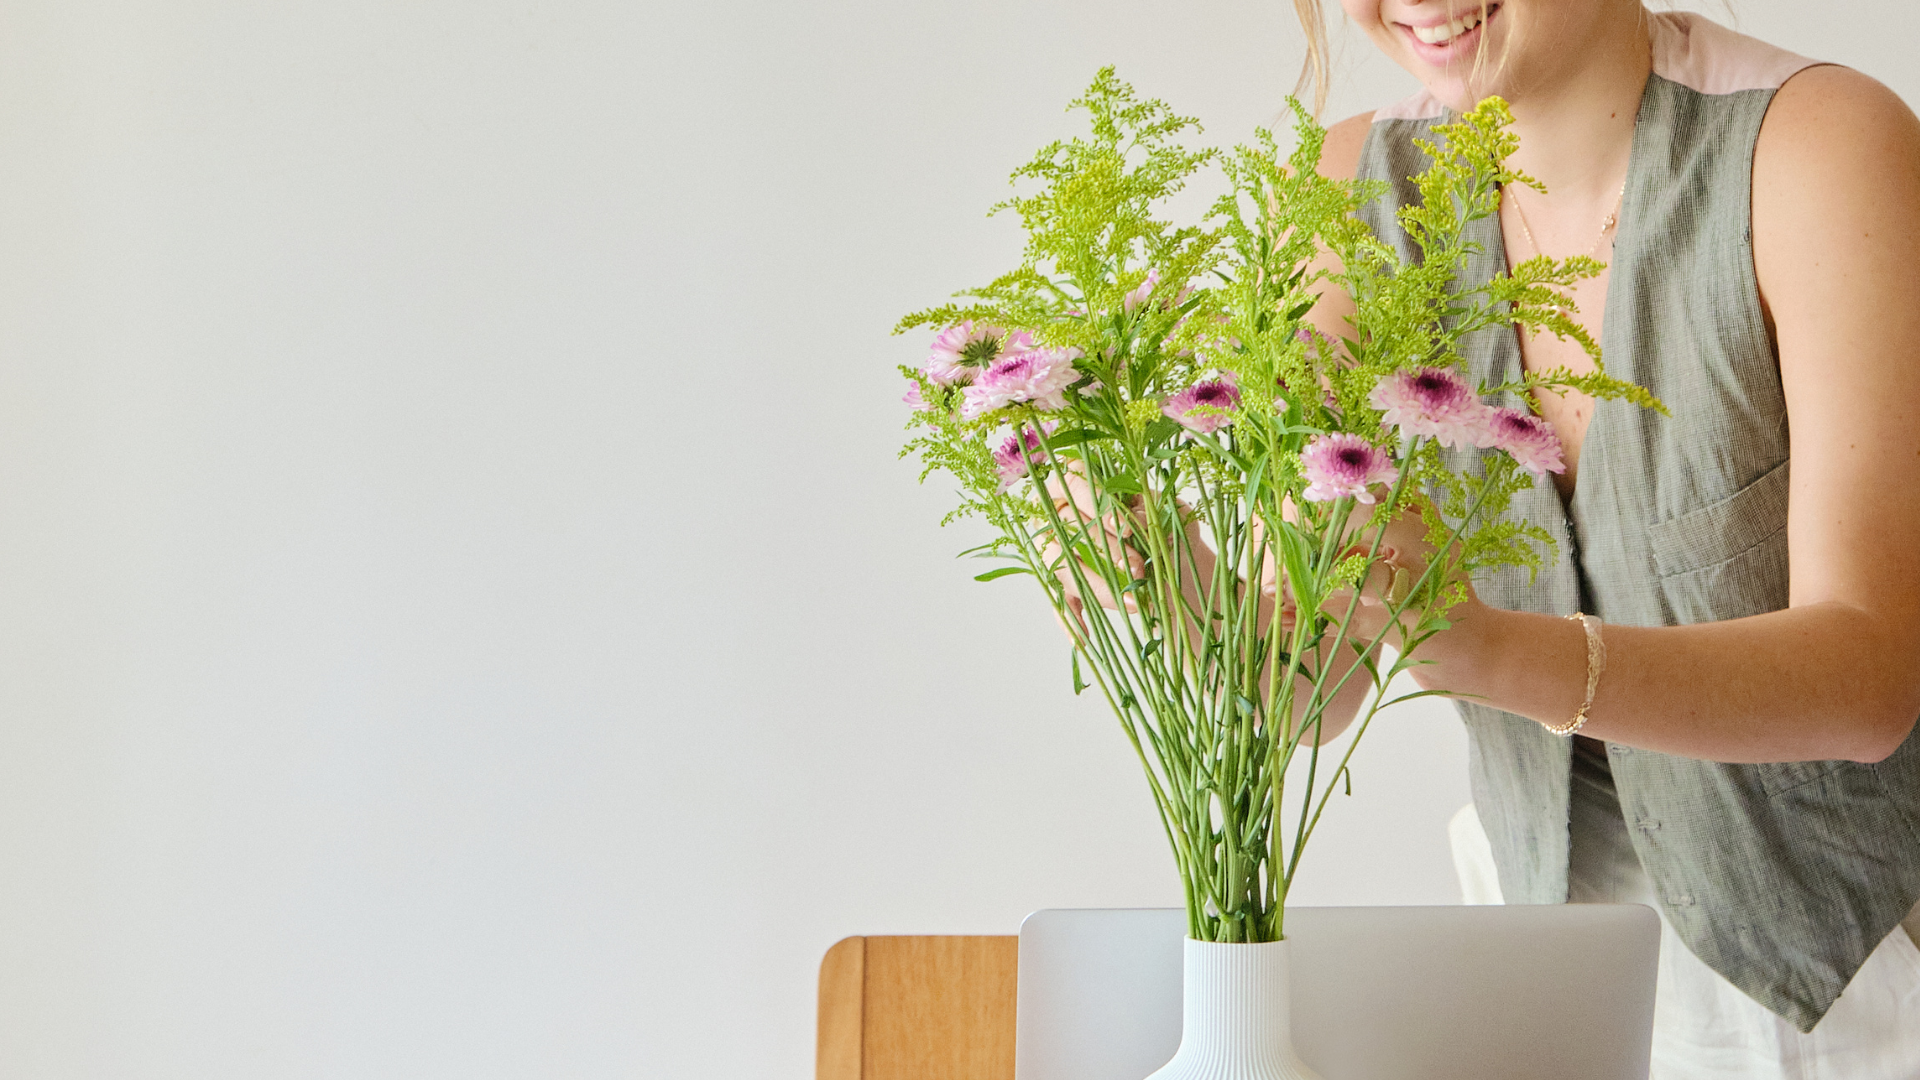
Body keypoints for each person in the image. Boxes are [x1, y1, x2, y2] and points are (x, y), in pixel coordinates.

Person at [1297, 2, 1920, 1076]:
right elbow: (1321, 686)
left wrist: (1495, 652)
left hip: (1836, 985)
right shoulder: (1354, 185)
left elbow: (1871, 678)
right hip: (1530, 967)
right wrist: (1160, 576)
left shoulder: (1816, 143)